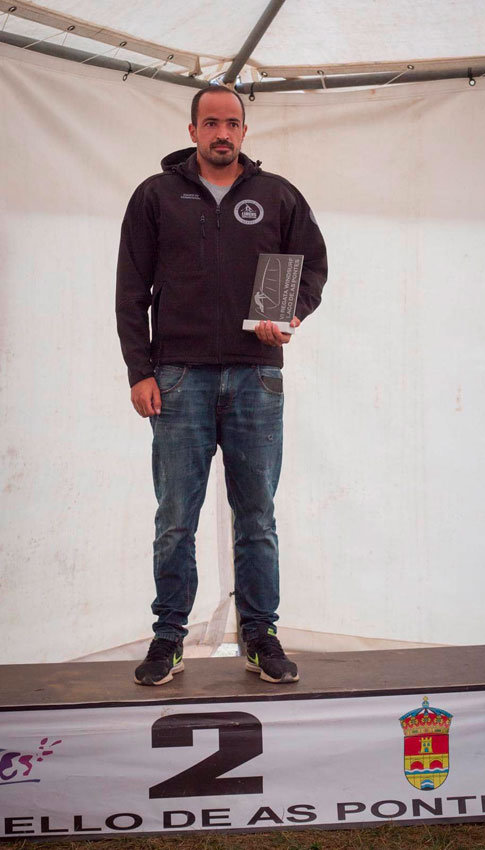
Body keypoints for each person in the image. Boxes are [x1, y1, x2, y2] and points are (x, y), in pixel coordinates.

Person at [116, 85, 327, 686]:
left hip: (256, 375)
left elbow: (311, 265)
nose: (222, 133)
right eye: (210, 123)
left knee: (256, 516)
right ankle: (168, 638)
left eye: (232, 123)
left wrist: (289, 314)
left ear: (244, 131)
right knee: (175, 518)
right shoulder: (156, 196)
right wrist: (140, 370)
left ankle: (260, 636)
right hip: (177, 376)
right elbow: (130, 289)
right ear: (192, 131)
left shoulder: (277, 195)